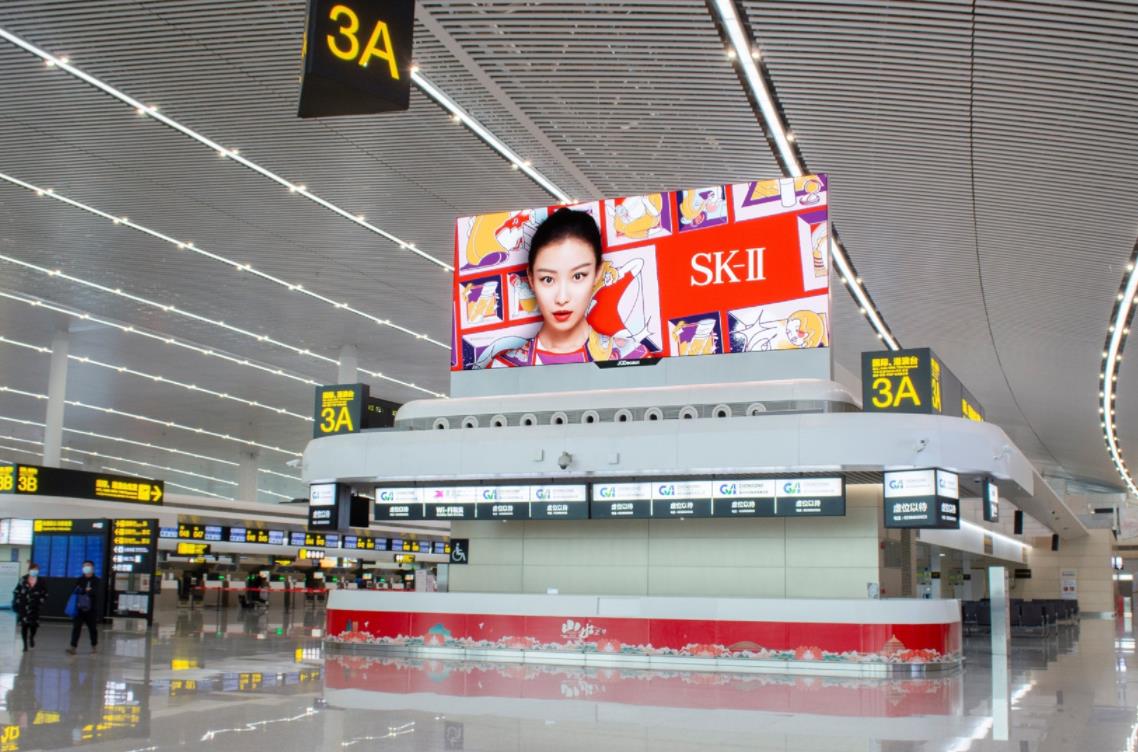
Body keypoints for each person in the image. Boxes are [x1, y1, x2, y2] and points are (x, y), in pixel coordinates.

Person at [490, 208, 649, 367]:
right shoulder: (503, 367)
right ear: (531, 279)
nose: (562, 298)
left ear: (597, 274)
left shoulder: (633, 358)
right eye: (547, 279)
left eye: (578, 276)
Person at [65, 561, 99, 655]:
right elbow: (76, 591)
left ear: (92, 568)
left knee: (92, 628)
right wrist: (85, 590)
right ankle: (73, 647)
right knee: (76, 627)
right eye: (84, 566)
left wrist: (84, 591)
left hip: (91, 609)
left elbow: (94, 592)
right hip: (79, 608)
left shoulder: (96, 580)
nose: (85, 568)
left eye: (87, 566)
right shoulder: (80, 579)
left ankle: (94, 646)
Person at [12, 562, 47, 651]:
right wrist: (16, 601)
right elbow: (16, 591)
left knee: (33, 626)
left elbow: (45, 593)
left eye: (36, 569)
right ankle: (25, 645)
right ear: (29, 570)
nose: (34, 571)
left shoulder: (41, 581)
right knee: (24, 626)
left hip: (34, 607)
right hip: (23, 606)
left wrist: (41, 601)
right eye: (33, 569)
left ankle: (31, 636)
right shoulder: (23, 579)